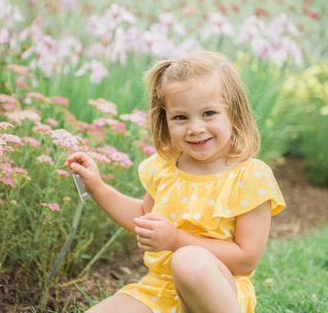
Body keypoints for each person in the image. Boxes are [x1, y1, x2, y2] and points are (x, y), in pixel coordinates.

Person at [65, 50, 286, 313]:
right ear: (165, 120)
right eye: (181, 117)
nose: (195, 128)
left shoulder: (249, 177)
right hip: (158, 290)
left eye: (209, 113)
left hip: (215, 294)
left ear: (233, 114)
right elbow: (143, 216)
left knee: (189, 261)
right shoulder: (165, 168)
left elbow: (245, 260)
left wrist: (175, 240)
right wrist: (97, 187)